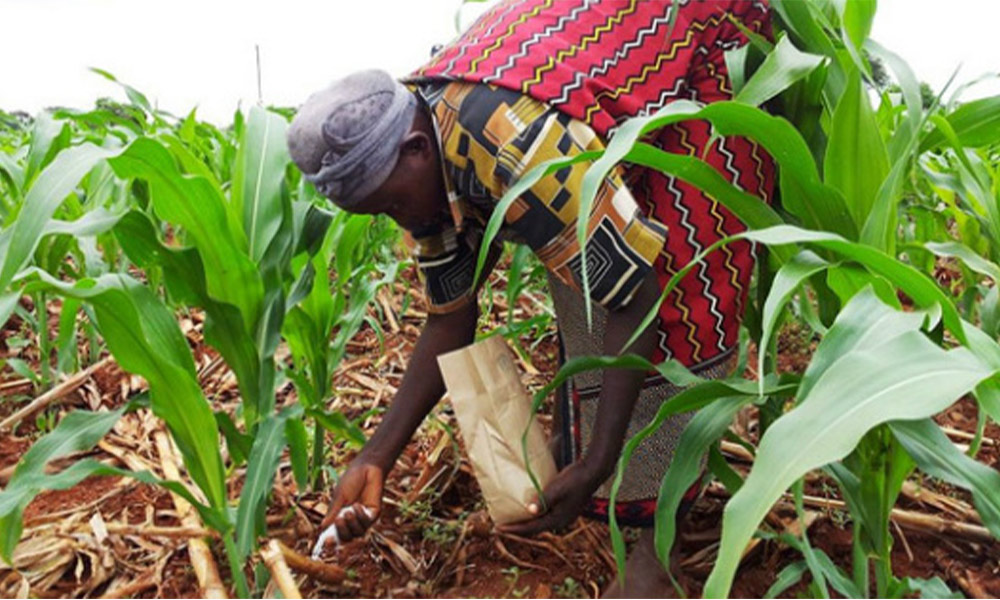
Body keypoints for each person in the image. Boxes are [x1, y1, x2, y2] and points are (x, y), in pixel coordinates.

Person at [286, 1, 774, 595]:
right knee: (588, 289)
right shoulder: (421, 160)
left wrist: (596, 461)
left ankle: (656, 548)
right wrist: (376, 457)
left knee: (680, 302)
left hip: (697, 75)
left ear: (416, 148)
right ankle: (625, 492)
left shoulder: (514, 144)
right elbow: (450, 315)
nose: (401, 219)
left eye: (392, 205)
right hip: (596, 123)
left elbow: (635, 296)